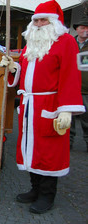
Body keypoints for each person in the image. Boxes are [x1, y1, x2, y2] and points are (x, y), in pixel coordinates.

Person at [0, 0, 85, 214]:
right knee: (31, 149)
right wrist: (13, 67)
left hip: (51, 106)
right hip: (30, 105)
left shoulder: (66, 42)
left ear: (54, 22)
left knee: (49, 152)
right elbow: (28, 71)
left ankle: (47, 195)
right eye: (35, 20)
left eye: (43, 19)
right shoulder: (32, 43)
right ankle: (35, 189)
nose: (38, 23)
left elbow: (70, 77)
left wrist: (66, 109)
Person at [70, 17, 88, 151]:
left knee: (86, 119)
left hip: (86, 89)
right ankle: (67, 143)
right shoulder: (70, 43)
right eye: (82, 28)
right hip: (71, 87)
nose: (85, 31)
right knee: (68, 119)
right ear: (77, 29)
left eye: (87, 28)